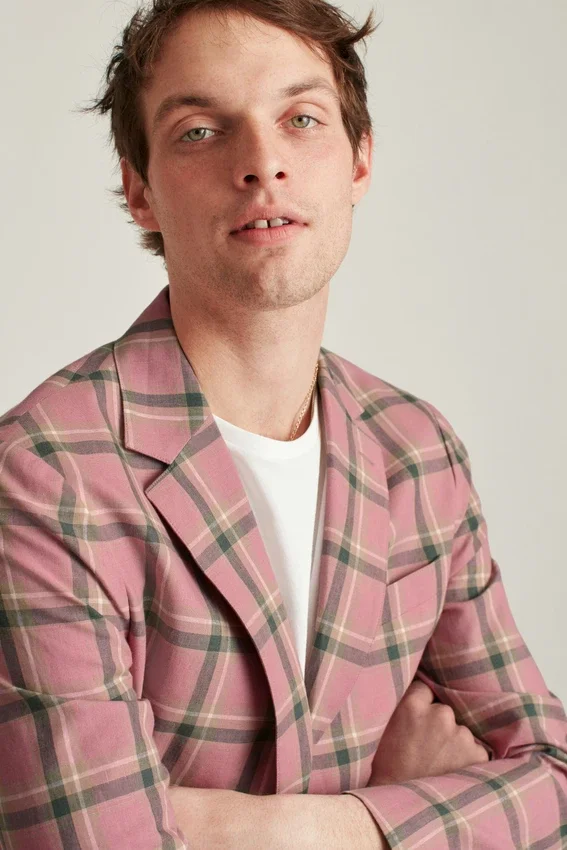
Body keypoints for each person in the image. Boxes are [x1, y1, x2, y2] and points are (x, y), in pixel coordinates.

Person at [1, 1, 566, 848]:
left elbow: (552, 773)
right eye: (200, 132)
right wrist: (415, 813)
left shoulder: (416, 452)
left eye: (300, 119)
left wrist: (299, 829)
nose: (261, 164)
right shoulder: (46, 472)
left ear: (359, 159)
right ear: (140, 189)